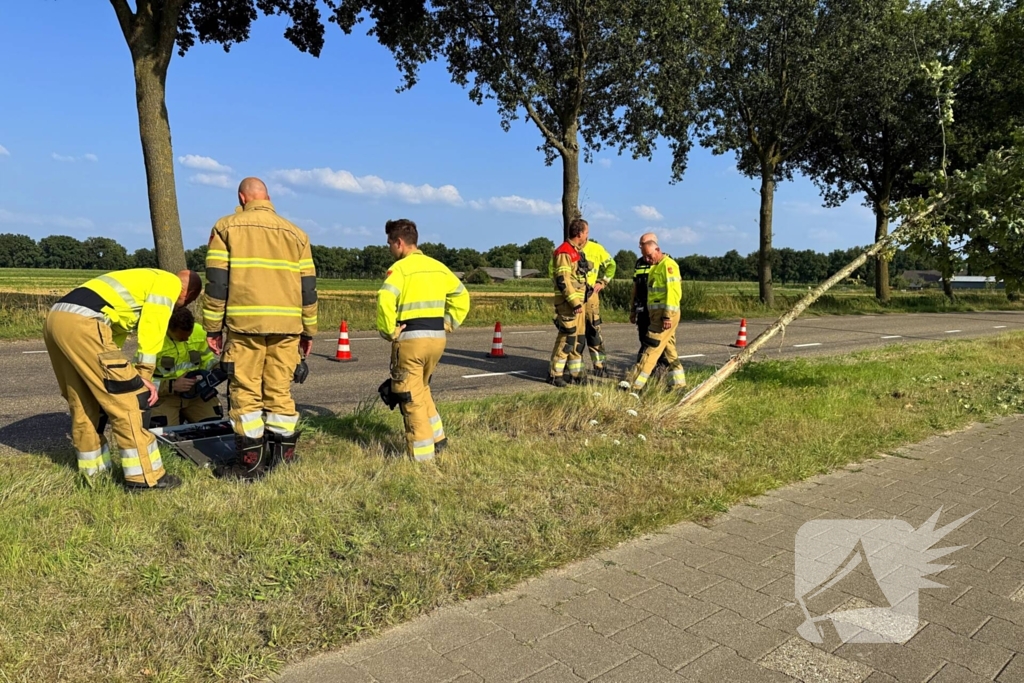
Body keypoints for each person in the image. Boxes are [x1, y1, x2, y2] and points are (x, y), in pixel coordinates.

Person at [43, 268, 202, 490]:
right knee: (130, 400)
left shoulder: (146, 278)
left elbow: (112, 336)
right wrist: (143, 374)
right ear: (189, 293)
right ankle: (146, 478)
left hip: (57, 319)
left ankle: (95, 475)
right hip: (86, 322)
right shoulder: (169, 283)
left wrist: (111, 371)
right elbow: (152, 326)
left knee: (85, 400)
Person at [203, 177, 317, 480]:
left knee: (245, 394)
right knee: (280, 392)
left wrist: (213, 328)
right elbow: (308, 288)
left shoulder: (226, 227)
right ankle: (283, 460)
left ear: (242, 198)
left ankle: (250, 465)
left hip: (245, 328)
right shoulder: (297, 234)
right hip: (288, 328)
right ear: (268, 197)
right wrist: (309, 331)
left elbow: (216, 283)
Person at [377, 218, 470, 462]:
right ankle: (438, 439)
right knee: (422, 389)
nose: (389, 247)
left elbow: (385, 298)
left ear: (399, 243)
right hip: (437, 339)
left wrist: (388, 331)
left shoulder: (400, 269)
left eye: (389, 243)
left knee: (410, 397)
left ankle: (422, 458)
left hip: (411, 341)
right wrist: (449, 322)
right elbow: (462, 296)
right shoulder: (439, 267)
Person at [619, 235, 687, 393]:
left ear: (658, 249)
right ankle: (679, 384)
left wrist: (667, 316)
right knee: (669, 350)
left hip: (665, 315)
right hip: (655, 314)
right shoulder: (655, 267)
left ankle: (634, 385)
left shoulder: (668, 265)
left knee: (651, 348)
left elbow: (673, 294)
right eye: (644, 256)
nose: (647, 259)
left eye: (649, 255)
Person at [548, 233, 616, 375]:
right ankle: (574, 370)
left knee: (593, 331)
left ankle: (600, 366)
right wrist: (566, 293)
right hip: (575, 296)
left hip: (591, 295)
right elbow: (555, 272)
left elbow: (612, 265)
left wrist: (603, 282)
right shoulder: (567, 251)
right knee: (575, 334)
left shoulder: (596, 248)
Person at [148, 307, 222, 428]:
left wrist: (217, 368)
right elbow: (140, 380)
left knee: (214, 426)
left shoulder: (199, 331)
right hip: (165, 397)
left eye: (189, 335)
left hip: (195, 394)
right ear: (168, 329)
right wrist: (171, 386)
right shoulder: (153, 340)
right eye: (181, 338)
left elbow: (207, 360)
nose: (186, 339)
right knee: (165, 434)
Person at [548, 218, 590, 388]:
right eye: (586, 232)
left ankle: (576, 373)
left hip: (579, 303)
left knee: (578, 339)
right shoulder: (564, 252)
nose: (588, 236)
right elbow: (563, 280)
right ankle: (554, 374)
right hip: (569, 304)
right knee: (567, 339)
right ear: (579, 234)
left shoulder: (576, 252)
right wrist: (575, 303)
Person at [631, 232, 671, 370]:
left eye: (643, 244)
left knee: (659, 344)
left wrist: (667, 314)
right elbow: (635, 287)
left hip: (658, 310)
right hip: (643, 308)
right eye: (640, 245)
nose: (641, 247)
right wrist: (632, 310)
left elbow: (672, 291)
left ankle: (660, 371)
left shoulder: (665, 262)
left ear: (654, 246)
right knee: (644, 339)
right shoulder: (639, 263)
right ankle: (649, 372)